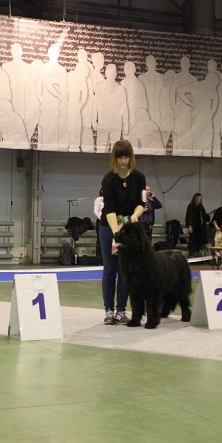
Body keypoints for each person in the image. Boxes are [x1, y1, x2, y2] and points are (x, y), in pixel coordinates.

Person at [100, 139, 146, 325]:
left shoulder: (139, 178)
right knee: (110, 269)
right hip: (109, 227)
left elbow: (141, 204)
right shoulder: (108, 179)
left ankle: (121, 310)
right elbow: (109, 209)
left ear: (131, 157)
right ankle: (109, 311)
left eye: (126, 156)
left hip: (129, 227)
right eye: (119, 157)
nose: (123, 160)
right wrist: (116, 233)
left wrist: (135, 216)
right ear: (114, 158)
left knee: (125, 270)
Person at [185, 192, 209, 257]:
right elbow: (189, 216)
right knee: (192, 242)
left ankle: (199, 255)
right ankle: (192, 254)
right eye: (198, 199)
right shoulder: (191, 206)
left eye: (200, 199)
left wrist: (208, 215)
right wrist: (189, 225)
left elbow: (204, 216)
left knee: (200, 243)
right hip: (194, 227)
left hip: (200, 228)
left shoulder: (201, 207)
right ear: (195, 199)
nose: (199, 200)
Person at [93, 188, 104, 264]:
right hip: (101, 221)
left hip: (110, 221)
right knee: (100, 240)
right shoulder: (98, 199)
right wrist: (101, 218)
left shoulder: (111, 199)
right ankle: (99, 260)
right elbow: (95, 211)